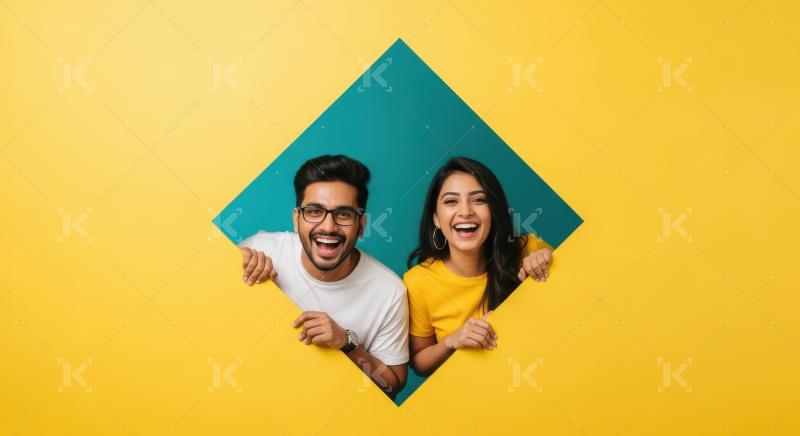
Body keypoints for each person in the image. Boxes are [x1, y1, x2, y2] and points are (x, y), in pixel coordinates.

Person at [237, 155, 408, 397]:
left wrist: (346, 344)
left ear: (361, 225)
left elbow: (392, 386)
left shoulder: (390, 291)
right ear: (296, 219)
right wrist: (229, 263)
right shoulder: (263, 248)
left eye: (344, 214)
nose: (328, 227)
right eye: (315, 211)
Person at [404, 157, 553, 376]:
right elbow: (420, 364)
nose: (465, 211)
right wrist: (451, 341)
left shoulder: (528, 248)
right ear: (436, 218)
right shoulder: (418, 281)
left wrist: (551, 261)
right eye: (451, 201)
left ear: (493, 210)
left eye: (479, 200)